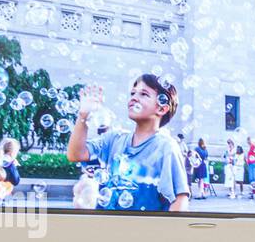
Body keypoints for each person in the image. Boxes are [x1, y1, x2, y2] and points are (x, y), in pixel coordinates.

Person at [65, 75, 190, 212]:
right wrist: (83, 116)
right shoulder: (115, 139)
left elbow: (180, 199)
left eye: (143, 94)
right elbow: (75, 154)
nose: (134, 97)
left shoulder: (166, 147)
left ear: (161, 109)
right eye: (132, 93)